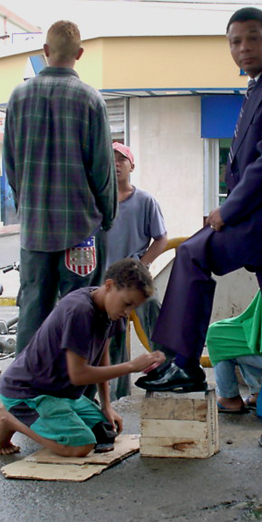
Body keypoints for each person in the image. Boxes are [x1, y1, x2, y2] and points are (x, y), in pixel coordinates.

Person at [137, 7, 262, 457]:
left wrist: (228, 211)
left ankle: (182, 362)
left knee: (195, 255)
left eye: (251, 38)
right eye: (234, 41)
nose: (242, 48)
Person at [3, 20, 117, 355]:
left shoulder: (18, 97)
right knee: (80, 310)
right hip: (80, 229)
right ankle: (74, 397)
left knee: (33, 310)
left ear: (45, 52)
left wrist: (27, 204)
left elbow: (11, 164)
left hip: (35, 229)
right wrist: (107, 216)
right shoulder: (90, 99)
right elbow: (102, 169)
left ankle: (25, 395)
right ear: (79, 54)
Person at [0, 259, 166, 457]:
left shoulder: (111, 310)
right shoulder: (79, 311)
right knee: (80, 446)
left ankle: (55, 415)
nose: (127, 312)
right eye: (126, 304)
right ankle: (7, 418)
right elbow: (79, 375)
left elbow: (102, 355)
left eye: (133, 307)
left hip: (61, 393)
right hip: (29, 392)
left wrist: (106, 405)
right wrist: (132, 366)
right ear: (109, 285)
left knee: (105, 434)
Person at [102, 142, 170, 400]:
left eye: (122, 159)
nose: (116, 164)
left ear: (132, 165)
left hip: (134, 276)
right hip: (106, 280)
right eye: (111, 159)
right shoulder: (99, 201)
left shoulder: (145, 200)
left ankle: (164, 371)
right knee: (113, 331)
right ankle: (119, 394)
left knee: (154, 313)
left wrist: (142, 265)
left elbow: (161, 238)